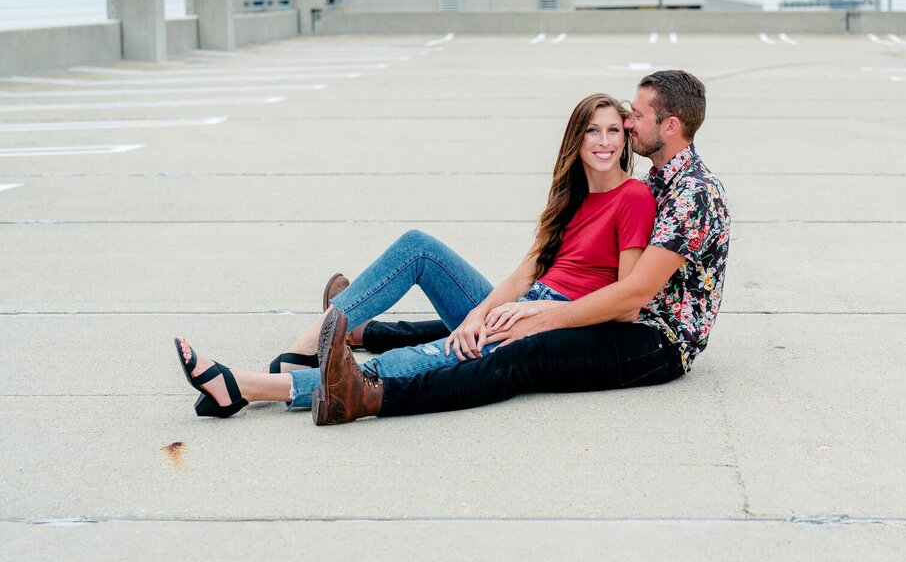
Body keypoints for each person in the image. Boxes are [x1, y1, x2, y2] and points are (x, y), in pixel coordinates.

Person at [174, 93, 657, 418]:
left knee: (428, 356)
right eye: (594, 131)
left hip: (556, 321)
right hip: (520, 304)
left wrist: (539, 313)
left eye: (614, 131)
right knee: (418, 249)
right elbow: (522, 274)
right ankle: (301, 352)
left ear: (624, 141)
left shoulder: (632, 197)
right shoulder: (570, 198)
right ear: (578, 139)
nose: (605, 142)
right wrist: (478, 314)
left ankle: (245, 386)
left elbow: (621, 297)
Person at [308, 69, 730, 425]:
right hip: (604, 311)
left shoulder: (693, 192)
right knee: (488, 321)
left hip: (653, 340)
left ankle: (363, 391)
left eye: (636, 116)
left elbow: (634, 295)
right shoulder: (656, 179)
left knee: (517, 348)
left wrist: (542, 315)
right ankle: (359, 331)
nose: (629, 124)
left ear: (670, 126)